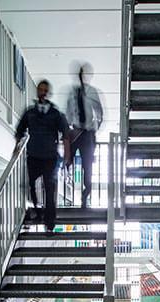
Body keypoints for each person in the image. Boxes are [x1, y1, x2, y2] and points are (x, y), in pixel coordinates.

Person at [15, 80, 71, 231]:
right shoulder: (30, 112)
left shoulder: (55, 113)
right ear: (38, 91)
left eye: (45, 90)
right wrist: (17, 146)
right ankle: (38, 212)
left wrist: (66, 154)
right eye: (40, 89)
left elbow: (65, 133)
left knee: (50, 188)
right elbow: (20, 130)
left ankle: (50, 222)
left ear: (48, 92)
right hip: (33, 155)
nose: (43, 92)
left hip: (50, 157)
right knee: (31, 186)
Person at [65, 63, 104, 208]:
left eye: (84, 74)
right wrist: (69, 129)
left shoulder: (92, 92)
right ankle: (68, 181)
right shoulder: (72, 93)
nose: (82, 76)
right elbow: (68, 112)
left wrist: (95, 128)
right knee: (68, 160)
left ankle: (85, 195)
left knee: (87, 167)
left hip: (87, 133)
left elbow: (99, 112)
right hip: (76, 132)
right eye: (80, 74)